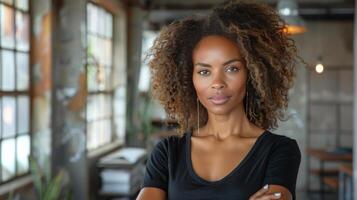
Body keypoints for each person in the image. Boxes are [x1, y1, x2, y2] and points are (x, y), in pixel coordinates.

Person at [136, 0, 301, 199]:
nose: (217, 83)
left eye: (232, 69)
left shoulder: (279, 151)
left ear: (254, 73)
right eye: (204, 71)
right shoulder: (168, 153)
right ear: (190, 79)